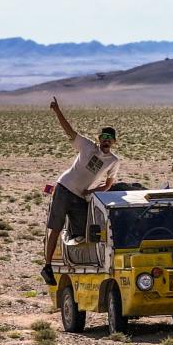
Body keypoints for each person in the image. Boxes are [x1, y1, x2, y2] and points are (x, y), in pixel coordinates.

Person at [42, 96, 122, 286]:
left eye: (109, 139)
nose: (106, 141)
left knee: (87, 231)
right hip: (64, 188)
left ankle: (80, 263)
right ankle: (47, 266)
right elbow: (69, 130)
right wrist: (57, 111)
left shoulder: (113, 161)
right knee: (55, 228)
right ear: (98, 139)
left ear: (114, 142)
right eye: (103, 137)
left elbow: (108, 184)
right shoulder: (86, 146)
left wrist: (91, 191)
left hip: (80, 197)